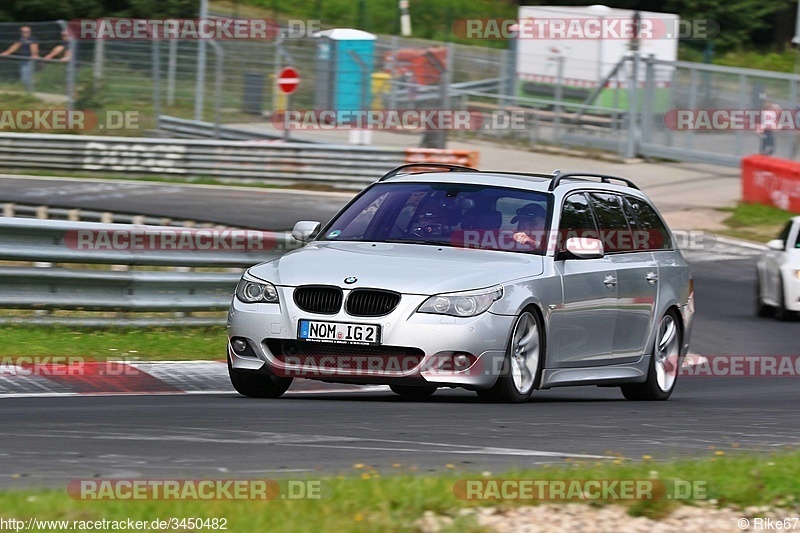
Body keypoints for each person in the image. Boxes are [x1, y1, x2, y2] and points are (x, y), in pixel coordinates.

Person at [0, 26, 39, 92]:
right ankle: (27, 90)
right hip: (23, 60)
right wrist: (6, 53)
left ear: (30, 32)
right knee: (24, 76)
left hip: (29, 60)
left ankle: (30, 90)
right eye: (23, 32)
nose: (25, 33)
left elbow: (34, 47)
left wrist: (34, 55)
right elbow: (15, 46)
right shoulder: (21, 39)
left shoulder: (32, 39)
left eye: (27, 32)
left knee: (28, 75)